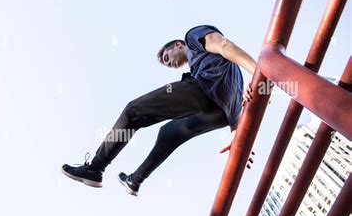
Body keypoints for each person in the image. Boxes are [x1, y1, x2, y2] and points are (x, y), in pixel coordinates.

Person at [62, 24, 256, 196]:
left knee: (133, 111)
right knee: (168, 133)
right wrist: (238, 137)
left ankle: (95, 168)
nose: (169, 64)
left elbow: (223, 44)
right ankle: (135, 180)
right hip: (221, 115)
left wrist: (256, 72)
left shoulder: (193, 37)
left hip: (204, 90)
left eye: (166, 57)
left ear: (177, 45)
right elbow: (233, 104)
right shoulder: (223, 71)